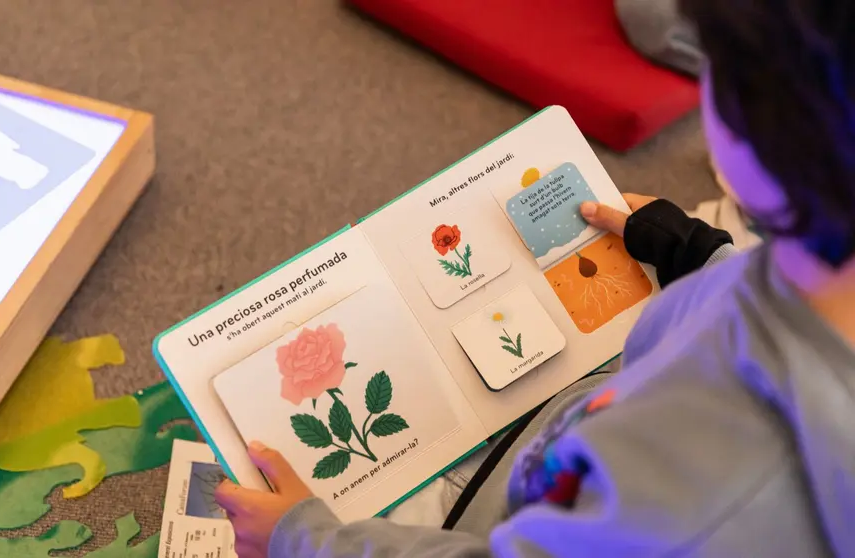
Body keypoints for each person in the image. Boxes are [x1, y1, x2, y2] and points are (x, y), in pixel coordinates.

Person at [214, 0, 855, 555]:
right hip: (579, 439)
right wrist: (694, 251)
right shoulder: (823, 264)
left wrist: (302, 541)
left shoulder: (700, 501)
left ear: (759, 121)